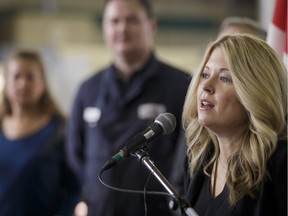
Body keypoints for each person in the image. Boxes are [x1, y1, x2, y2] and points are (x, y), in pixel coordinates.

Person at [66, 0, 190, 215]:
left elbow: (190, 155)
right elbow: (76, 155)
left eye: (131, 20)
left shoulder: (181, 86)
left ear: (151, 26)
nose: (122, 28)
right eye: (114, 21)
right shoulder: (88, 90)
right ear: (104, 28)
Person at [182, 34, 287, 216]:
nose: (206, 85)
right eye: (205, 74)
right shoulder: (199, 158)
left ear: (255, 92)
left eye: (224, 78)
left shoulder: (282, 161)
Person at [0, 50, 80, 215]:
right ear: (6, 83)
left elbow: (75, 189)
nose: (23, 84)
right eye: (16, 77)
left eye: (30, 77)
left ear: (43, 83)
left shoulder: (61, 130)